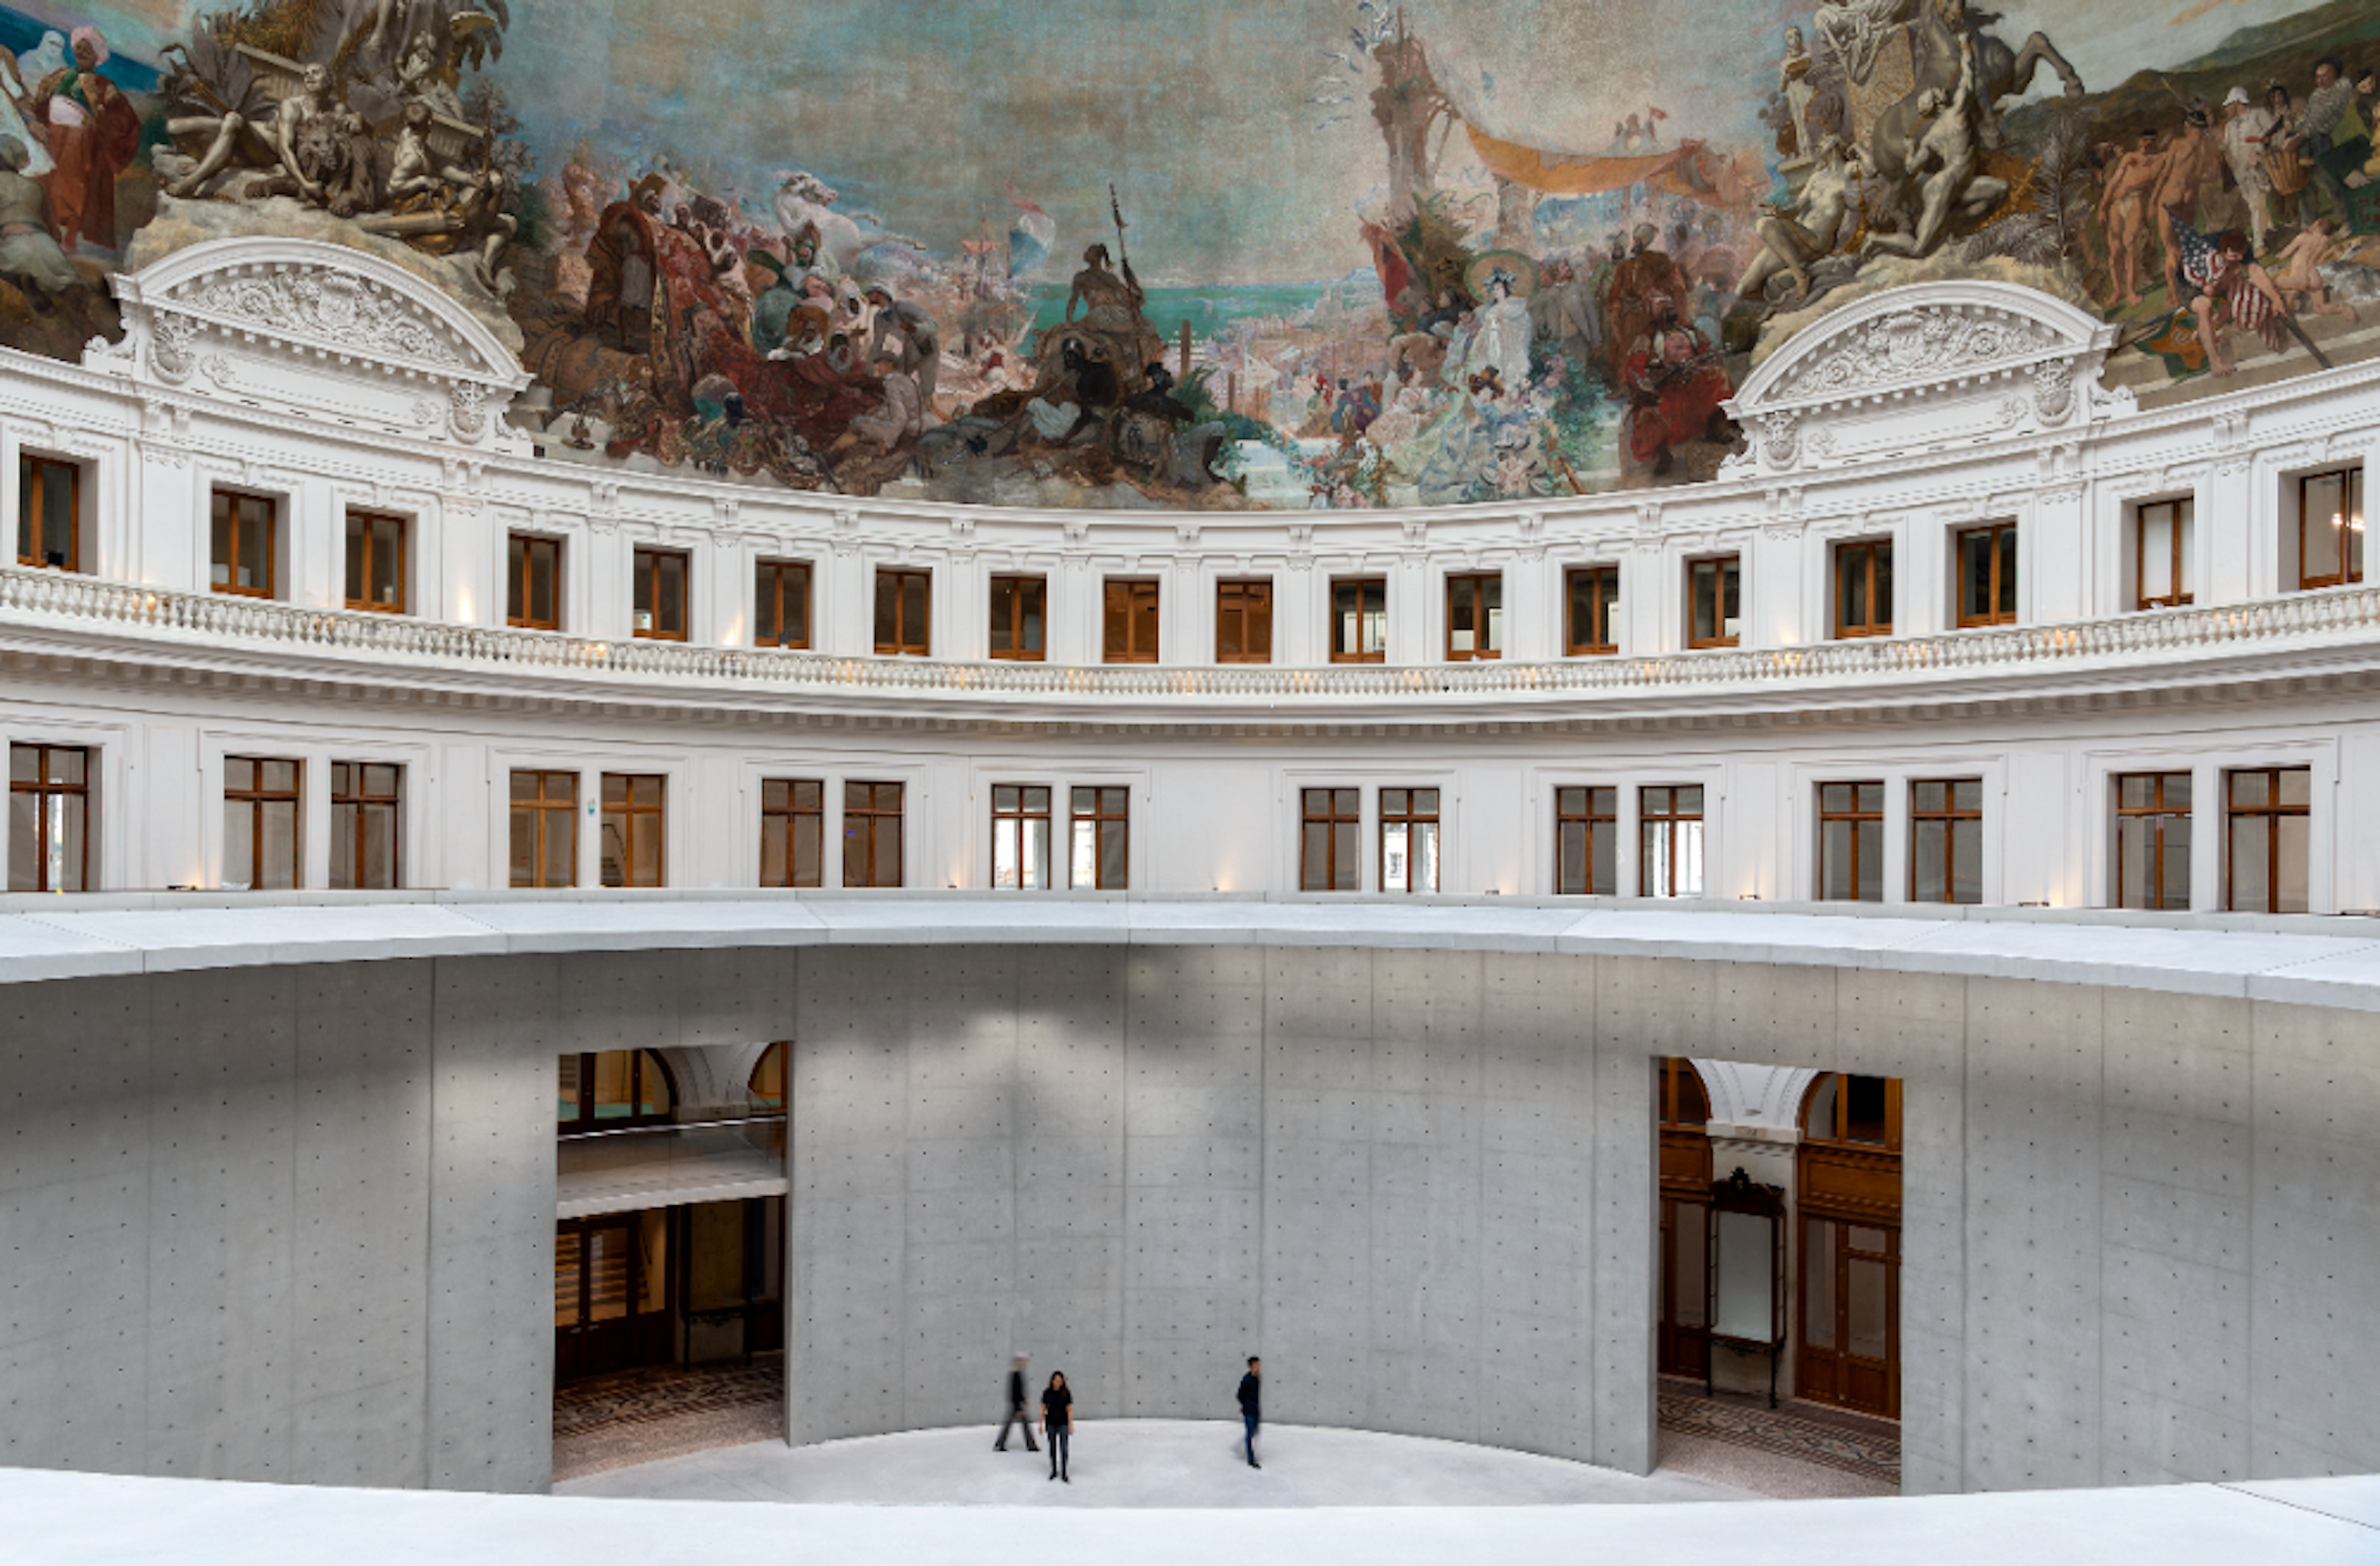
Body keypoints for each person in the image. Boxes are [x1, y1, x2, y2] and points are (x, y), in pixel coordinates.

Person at [26, 26, 136, 252]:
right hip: (52, 136)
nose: (83, 52)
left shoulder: (105, 86)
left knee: (75, 190)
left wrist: (100, 125)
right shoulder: (61, 75)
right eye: (80, 48)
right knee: (45, 183)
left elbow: (123, 119)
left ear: (97, 56)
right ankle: (44, 229)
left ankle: (70, 239)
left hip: (80, 143)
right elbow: (42, 100)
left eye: (88, 49)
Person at [2285, 58, 2358, 234]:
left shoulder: (2341, 88)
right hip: (2306, 140)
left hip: (2320, 140)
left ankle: (2347, 221)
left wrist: (2300, 135)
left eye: (2326, 75)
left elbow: (2322, 117)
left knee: (2329, 181)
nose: (2321, 80)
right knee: (2304, 184)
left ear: (2336, 74)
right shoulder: (2317, 94)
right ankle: (2309, 226)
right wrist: (2294, 127)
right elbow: (2308, 116)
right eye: (2318, 77)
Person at [2219, 86, 2276, 255]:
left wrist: (2257, 153)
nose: (2227, 108)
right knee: (2255, 204)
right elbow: (2226, 146)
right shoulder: (2229, 126)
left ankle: (2259, 244)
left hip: (2258, 167)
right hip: (2240, 172)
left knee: (2257, 205)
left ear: (2237, 103)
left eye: (2229, 104)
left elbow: (2272, 134)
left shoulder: (2258, 114)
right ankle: (2271, 232)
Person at [994, 1353, 1039, 1453]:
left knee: (1011, 1425)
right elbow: (1014, 1392)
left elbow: (1019, 1390)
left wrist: (1024, 1399)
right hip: (1016, 1405)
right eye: (1023, 1360)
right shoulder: (1015, 1373)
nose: (1025, 1362)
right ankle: (1031, 1446)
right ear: (1019, 1361)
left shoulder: (1017, 1372)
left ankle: (1000, 1444)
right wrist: (1018, 1407)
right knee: (1023, 1425)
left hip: (1017, 1403)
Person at [1041, 1370, 1072, 1482]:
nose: (1058, 1383)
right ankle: (1054, 1470)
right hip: (1051, 1424)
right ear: (1052, 1381)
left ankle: (1064, 1473)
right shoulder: (1047, 1393)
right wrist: (1040, 1424)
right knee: (1053, 1448)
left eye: (1060, 1381)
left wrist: (1071, 1425)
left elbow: (1069, 1409)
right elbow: (1043, 1408)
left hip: (1063, 1423)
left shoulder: (1066, 1393)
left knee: (1064, 1449)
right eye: (1056, 1380)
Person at [1236, 1356, 1261, 1469]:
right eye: (1256, 1366)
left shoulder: (1257, 1379)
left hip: (1256, 1410)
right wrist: (1245, 1406)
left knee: (1254, 1431)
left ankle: (1244, 1446)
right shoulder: (1246, 1380)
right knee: (1249, 1434)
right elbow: (1239, 1395)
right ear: (1251, 1367)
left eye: (1259, 1366)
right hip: (1249, 1411)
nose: (1258, 1368)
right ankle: (1251, 1459)